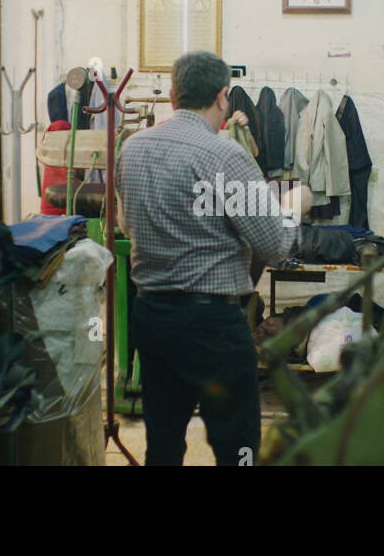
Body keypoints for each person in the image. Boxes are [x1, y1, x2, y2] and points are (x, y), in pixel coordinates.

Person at [116, 51, 312, 466]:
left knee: (163, 441)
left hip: (152, 316)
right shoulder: (226, 156)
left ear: (173, 94)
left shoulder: (132, 148)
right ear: (223, 97)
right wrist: (295, 205)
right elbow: (276, 245)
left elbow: (126, 225)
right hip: (212, 328)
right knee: (236, 445)